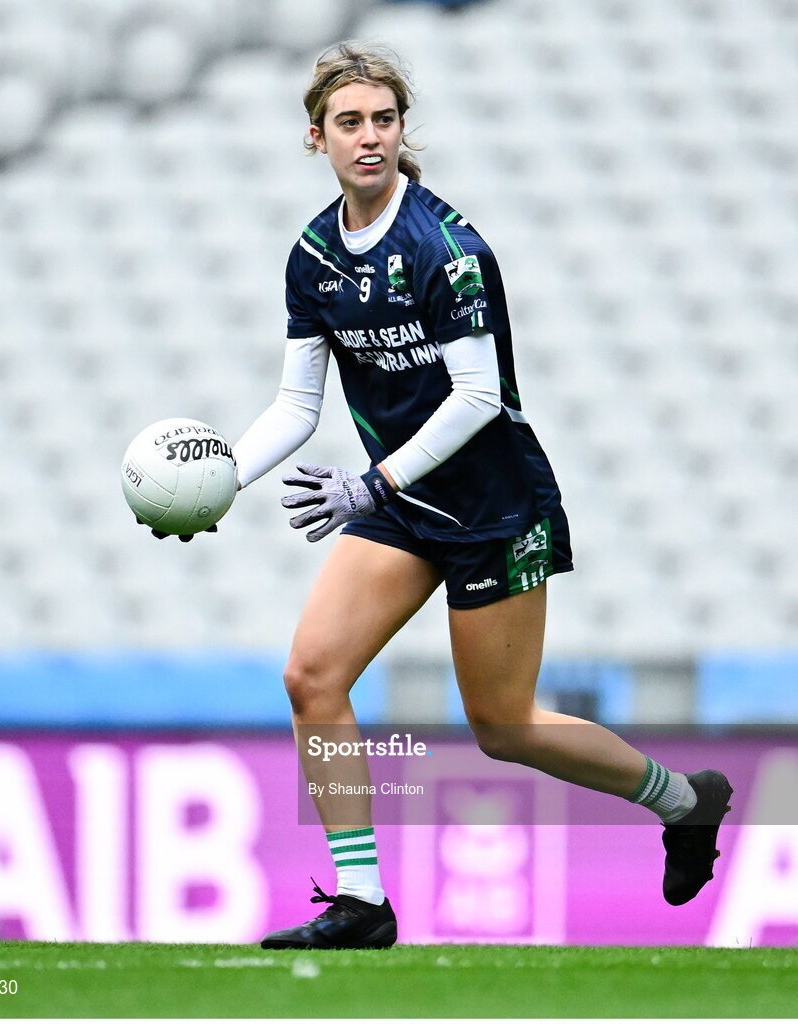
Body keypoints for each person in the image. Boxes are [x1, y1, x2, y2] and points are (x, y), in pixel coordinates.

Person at [144, 42, 733, 948]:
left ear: (402, 131)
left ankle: (684, 802)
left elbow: (480, 398)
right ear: (317, 139)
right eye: (350, 123)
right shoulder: (312, 255)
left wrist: (370, 481)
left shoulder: (448, 251)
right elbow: (298, 404)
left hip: (495, 507)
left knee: (505, 727)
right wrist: (223, 478)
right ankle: (362, 903)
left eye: (384, 120)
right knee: (312, 676)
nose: (369, 137)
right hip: (404, 505)